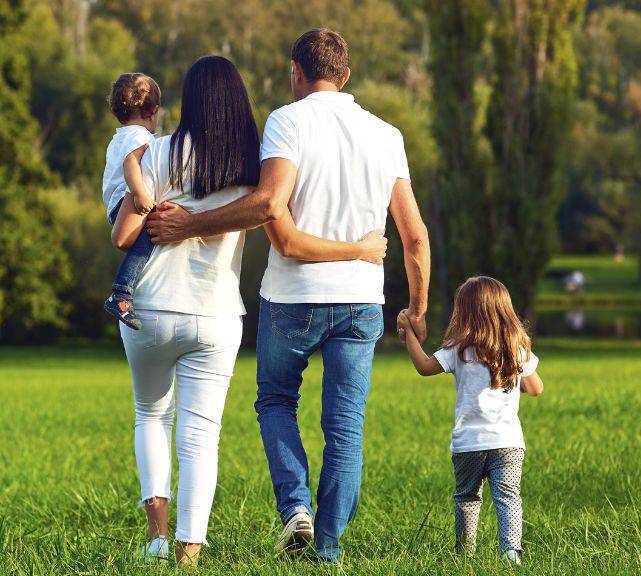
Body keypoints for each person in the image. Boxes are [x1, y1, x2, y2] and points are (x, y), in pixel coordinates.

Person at [145, 28, 432, 562]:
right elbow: (413, 235)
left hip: (292, 297)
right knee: (345, 427)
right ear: (345, 76)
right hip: (361, 300)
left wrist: (189, 224)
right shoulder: (386, 134)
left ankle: (296, 510)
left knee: (276, 401)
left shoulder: (287, 121)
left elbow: (269, 204)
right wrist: (416, 309)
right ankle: (326, 550)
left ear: (295, 71)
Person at [396, 276, 544, 565]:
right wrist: (515, 377)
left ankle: (465, 553)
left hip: (469, 445)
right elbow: (535, 388)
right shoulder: (517, 348)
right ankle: (511, 553)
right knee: (508, 497)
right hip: (508, 443)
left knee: (467, 498)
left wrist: (408, 335)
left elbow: (424, 367)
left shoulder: (459, 348)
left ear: (463, 311)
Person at [101, 72, 161, 329]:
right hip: (127, 202)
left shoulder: (120, 136)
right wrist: (140, 193)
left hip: (114, 206)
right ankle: (122, 293)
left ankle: (126, 292)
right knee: (149, 237)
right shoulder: (141, 137)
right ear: (154, 111)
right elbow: (130, 164)